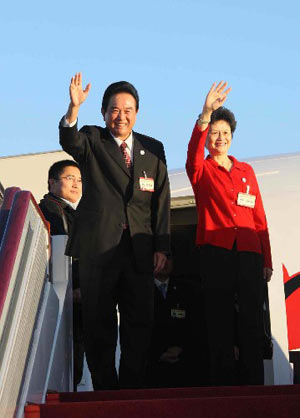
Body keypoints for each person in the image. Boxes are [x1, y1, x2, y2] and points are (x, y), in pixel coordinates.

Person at [59, 73, 170, 390]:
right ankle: (105, 390)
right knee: (98, 322)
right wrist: (73, 108)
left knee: (140, 322)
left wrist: (163, 247)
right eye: (114, 109)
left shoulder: (153, 149)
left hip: (139, 250)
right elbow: (69, 139)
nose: (121, 116)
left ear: (137, 112)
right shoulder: (92, 139)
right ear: (104, 112)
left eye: (128, 109)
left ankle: (133, 388)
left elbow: (160, 201)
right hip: (99, 248)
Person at [186, 81, 273, 386]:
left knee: (251, 319)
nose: (220, 138)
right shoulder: (202, 170)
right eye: (214, 133)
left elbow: (259, 216)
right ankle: (222, 385)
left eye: (225, 133)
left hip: (249, 251)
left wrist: (267, 258)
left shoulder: (246, 171)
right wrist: (205, 114)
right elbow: (193, 155)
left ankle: (254, 385)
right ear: (208, 138)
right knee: (220, 319)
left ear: (232, 137)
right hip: (216, 250)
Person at [39, 159, 84, 390]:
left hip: (76, 294)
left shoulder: (75, 212)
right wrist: (74, 289)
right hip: (65, 294)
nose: (76, 184)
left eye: (79, 179)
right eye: (69, 178)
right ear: (52, 182)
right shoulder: (51, 210)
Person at [146, 258, 207, 388]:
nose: (165, 262)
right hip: (151, 366)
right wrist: (158, 353)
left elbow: (196, 327)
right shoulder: (141, 292)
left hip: (184, 363)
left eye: (169, 258)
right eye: (160, 257)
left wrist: (181, 350)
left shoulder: (188, 290)